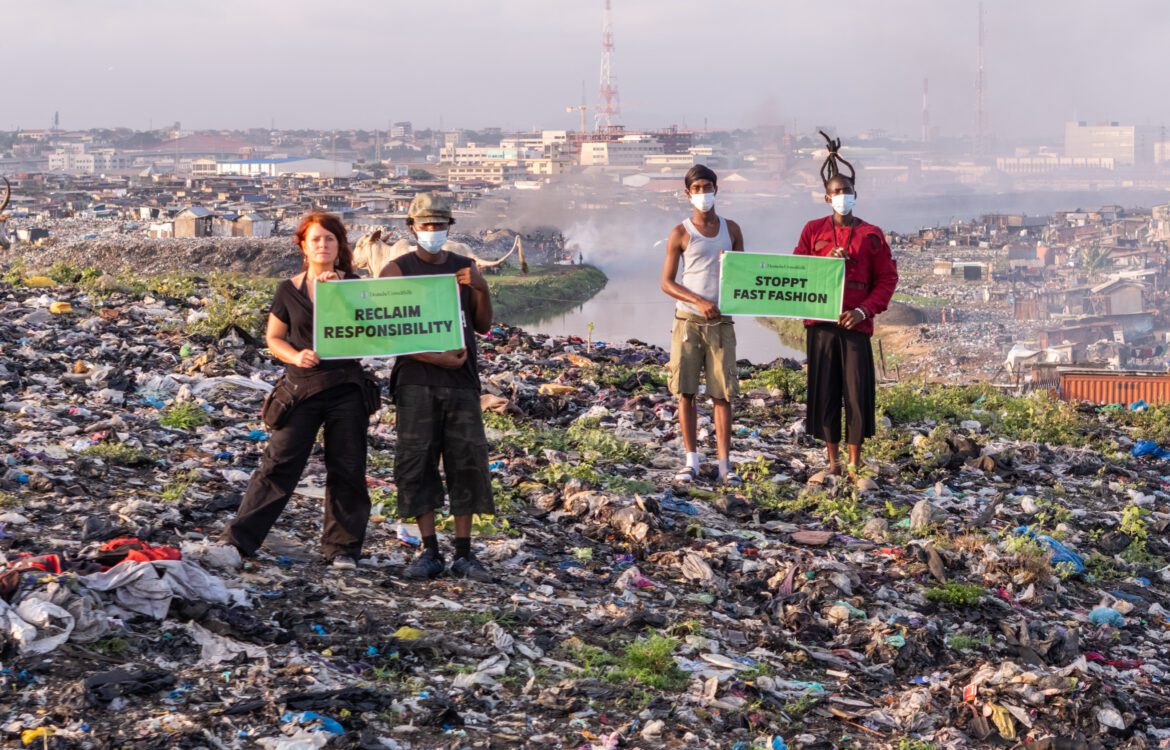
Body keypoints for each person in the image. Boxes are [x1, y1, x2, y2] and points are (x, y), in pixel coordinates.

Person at [223, 211, 374, 569]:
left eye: (330, 239)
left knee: (348, 469)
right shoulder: (287, 289)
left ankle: (342, 549)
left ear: (340, 246)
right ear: (303, 247)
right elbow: (273, 338)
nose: (322, 244)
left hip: (347, 388)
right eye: (315, 239)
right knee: (278, 465)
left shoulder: (356, 287)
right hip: (300, 389)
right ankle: (239, 542)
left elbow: (372, 337)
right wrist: (295, 354)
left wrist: (338, 293)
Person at [379, 193, 495, 582]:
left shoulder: (465, 268)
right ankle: (429, 551)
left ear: (449, 228)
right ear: (411, 228)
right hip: (416, 381)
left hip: (462, 381)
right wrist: (436, 358)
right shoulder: (397, 271)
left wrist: (481, 287)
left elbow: (481, 326)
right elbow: (388, 335)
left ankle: (464, 553)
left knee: (467, 462)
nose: (432, 232)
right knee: (416, 464)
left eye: (439, 225)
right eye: (425, 226)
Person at [794, 133, 898, 477]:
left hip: (855, 325)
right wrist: (826, 259)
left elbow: (886, 280)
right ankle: (833, 462)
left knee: (855, 393)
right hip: (821, 323)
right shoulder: (813, 230)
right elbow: (797, 270)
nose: (843, 197)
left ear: (856, 195)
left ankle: (854, 463)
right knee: (825, 391)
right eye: (837, 193)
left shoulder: (871, 234)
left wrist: (863, 310)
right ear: (827, 197)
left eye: (847, 192)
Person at [660, 164, 745, 487]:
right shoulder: (680, 233)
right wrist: (699, 301)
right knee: (685, 392)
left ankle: (725, 465)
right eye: (696, 188)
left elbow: (744, 275)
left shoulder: (731, 229)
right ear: (687, 193)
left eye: (707, 187)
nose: (703, 193)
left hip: (722, 323)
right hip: (688, 320)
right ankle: (691, 461)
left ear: (716, 189)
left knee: (722, 393)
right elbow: (667, 282)